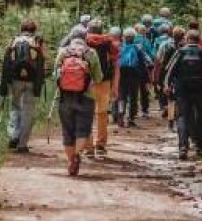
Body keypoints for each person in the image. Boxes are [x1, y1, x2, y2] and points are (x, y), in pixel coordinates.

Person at [164, 32, 202, 161]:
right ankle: (200, 146)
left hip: (182, 90)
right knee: (200, 117)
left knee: (182, 116)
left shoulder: (180, 52)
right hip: (200, 90)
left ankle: (183, 147)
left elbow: (169, 70)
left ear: (187, 39)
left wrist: (166, 85)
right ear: (199, 40)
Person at [54, 34, 103, 176]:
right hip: (86, 97)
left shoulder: (63, 52)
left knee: (67, 130)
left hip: (65, 97)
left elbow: (55, 74)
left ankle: (70, 161)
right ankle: (76, 155)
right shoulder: (91, 53)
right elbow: (98, 77)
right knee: (83, 129)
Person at [0, 20, 45, 152]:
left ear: (21, 29)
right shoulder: (37, 42)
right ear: (34, 30)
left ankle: (14, 134)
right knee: (28, 112)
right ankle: (22, 144)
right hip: (31, 81)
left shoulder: (14, 41)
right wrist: (39, 83)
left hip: (15, 81)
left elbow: (6, 62)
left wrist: (5, 82)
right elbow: (42, 63)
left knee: (15, 107)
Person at [84, 20, 120, 158]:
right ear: (101, 30)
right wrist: (115, 86)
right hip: (104, 82)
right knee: (102, 113)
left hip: (87, 83)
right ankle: (100, 145)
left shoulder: (84, 41)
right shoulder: (109, 42)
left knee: (87, 113)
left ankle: (88, 147)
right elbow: (116, 65)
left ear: (89, 29)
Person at [115, 27, 152, 128]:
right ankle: (131, 119)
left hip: (122, 75)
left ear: (124, 37)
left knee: (122, 97)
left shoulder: (119, 48)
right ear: (134, 37)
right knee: (133, 97)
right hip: (135, 75)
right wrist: (146, 79)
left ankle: (120, 116)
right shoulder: (138, 48)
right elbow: (144, 64)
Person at [151, 25, 183, 130]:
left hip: (167, 73)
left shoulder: (165, 45)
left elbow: (158, 60)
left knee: (170, 99)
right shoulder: (184, 46)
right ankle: (179, 120)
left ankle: (170, 122)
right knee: (180, 98)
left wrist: (156, 75)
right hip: (180, 75)